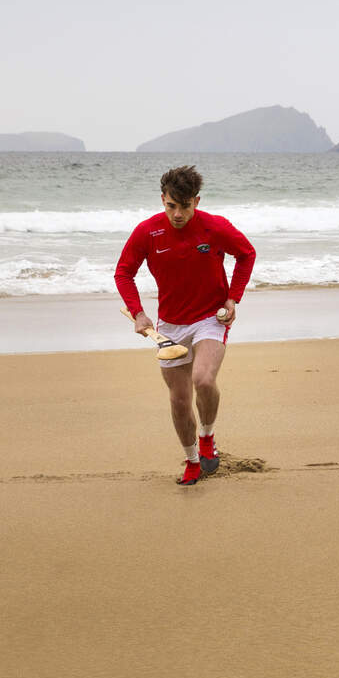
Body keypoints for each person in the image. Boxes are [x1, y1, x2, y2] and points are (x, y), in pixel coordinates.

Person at [115, 165, 256, 484]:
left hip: (210, 317)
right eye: (171, 206)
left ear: (197, 201)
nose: (178, 214)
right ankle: (192, 460)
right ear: (162, 199)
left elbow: (247, 254)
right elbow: (123, 272)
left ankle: (207, 437)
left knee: (203, 380)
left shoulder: (215, 228)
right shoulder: (147, 232)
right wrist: (138, 313)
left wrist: (233, 298)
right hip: (170, 325)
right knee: (179, 399)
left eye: (185, 206)